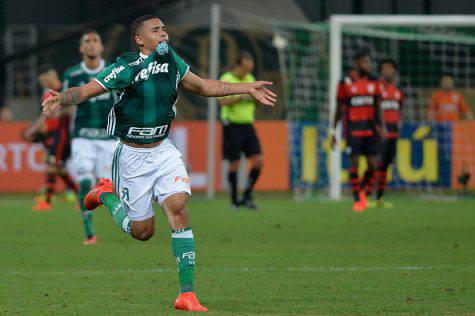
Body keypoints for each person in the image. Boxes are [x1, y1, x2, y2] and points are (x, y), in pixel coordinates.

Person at [42, 15, 276, 312]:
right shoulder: (126, 67)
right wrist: (60, 99)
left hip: (164, 150)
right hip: (131, 156)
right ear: (140, 40)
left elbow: (204, 86)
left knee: (178, 206)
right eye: (156, 30)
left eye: (165, 28)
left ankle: (186, 295)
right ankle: (104, 194)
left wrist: (247, 88)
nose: (164, 33)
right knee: (143, 232)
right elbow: (86, 92)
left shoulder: (173, 62)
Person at [62, 29, 118, 245]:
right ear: (81, 48)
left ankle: (126, 222)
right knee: (85, 180)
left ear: (102, 47)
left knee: (108, 187)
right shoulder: (73, 74)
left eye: (96, 40)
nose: (92, 44)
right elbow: (67, 103)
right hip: (82, 136)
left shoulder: (114, 71)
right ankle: (89, 232)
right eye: (87, 41)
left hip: (108, 138)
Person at [330, 52, 385, 212]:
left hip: (370, 129)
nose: (366, 65)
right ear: (356, 63)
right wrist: (333, 131)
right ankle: (357, 198)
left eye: (368, 62)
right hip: (353, 129)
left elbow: (378, 107)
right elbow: (339, 108)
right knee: (354, 163)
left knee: (374, 166)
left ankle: (362, 191)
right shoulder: (345, 82)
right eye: (363, 62)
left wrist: (382, 127)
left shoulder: (374, 81)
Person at [23, 65, 78, 211]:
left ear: (51, 77)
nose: (41, 83)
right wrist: (35, 129)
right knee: (57, 166)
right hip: (53, 134)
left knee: (51, 164)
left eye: (43, 80)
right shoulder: (46, 93)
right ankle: (79, 194)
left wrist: (58, 114)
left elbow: (72, 109)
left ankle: (47, 201)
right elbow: (45, 114)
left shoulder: (63, 89)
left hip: (63, 134)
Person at [219, 51, 264, 209]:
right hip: (232, 125)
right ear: (238, 65)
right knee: (235, 164)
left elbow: (254, 102)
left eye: (249, 69)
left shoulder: (250, 79)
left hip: (248, 125)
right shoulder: (226, 79)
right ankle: (234, 201)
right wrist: (242, 95)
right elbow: (222, 102)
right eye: (245, 68)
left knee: (259, 161)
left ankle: (246, 196)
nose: (247, 72)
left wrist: (257, 99)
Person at [365, 59, 404, 208]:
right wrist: (377, 129)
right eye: (384, 68)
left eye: (390, 68)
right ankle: (366, 196)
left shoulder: (398, 92)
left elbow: (398, 111)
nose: (387, 71)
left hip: (393, 134)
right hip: (379, 134)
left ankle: (379, 198)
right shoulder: (375, 89)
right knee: (376, 165)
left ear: (394, 71)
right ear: (381, 71)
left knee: (385, 166)